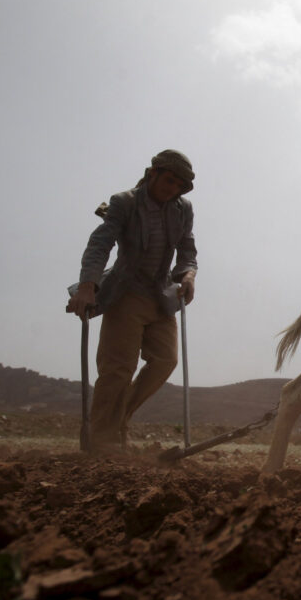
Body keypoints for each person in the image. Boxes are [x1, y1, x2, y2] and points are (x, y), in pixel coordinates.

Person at [68, 150, 198, 454]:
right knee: (118, 369)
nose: (172, 189)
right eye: (168, 181)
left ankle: (118, 420)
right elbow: (100, 243)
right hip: (126, 293)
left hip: (161, 295)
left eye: (179, 186)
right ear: (152, 173)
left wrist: (188, 275)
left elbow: (187, 247)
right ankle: (101, 439)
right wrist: (88, 286)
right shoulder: (124, 202)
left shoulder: (183, 209)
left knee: (166, 360)